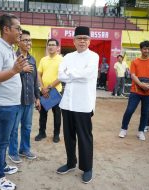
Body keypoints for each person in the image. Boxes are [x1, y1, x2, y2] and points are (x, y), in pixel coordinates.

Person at [0, 14, 26, 190]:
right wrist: (15, 70)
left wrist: (16, 69)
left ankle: (1, 166)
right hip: (1, 105)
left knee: (4, 140)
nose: (20, 32)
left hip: (10, 103)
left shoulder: (9, 48)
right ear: (6, 29)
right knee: (0, 142)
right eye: (18, 28)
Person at [56, 26, 99, 184]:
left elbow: (86, 75)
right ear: (73, 41)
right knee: (68, 136)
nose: (82, 41)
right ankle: (70, 162)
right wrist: (73, 74)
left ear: (89, 41)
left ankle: (87, 168)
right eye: (79, 38)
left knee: (84, 137)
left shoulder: (94, 56)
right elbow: (61, 75)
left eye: (85, 38)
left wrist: (70, 73)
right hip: (67, 103)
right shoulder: (67, 57)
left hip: (83, 104)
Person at [8, 30, 41, 164]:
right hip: (16, 100)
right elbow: (8, 76)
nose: (28, 43)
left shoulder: (32, 59)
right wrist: (22, 70)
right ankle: (13, 152)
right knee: (14, 128)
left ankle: (25, 149)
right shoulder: (12, 57)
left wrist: (37, 97)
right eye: (25, 40)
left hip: (29, 100)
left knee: (27, 126)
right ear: (19, 42)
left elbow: (34, 80)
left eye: (30, 40)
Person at [118, 40, 149, 141]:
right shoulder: (135, 61)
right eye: (145, 48)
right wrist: (141, 84)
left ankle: (141, 131)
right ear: (141, 49)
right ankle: (123, 129)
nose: (147, 51)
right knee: (129, 110)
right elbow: (133, 75)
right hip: (135, 91)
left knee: (145, 112)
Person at [35, 38, 62, 143]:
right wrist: (42, 88)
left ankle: (56, 134)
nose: (51, 46)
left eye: (53, 45)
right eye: (49, 45)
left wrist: (49, 88)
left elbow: (61, 77)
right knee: (42, 114)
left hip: (56, 92)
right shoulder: (43, 60)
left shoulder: (61, 60)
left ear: (57, 47)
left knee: (57, 116)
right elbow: (39, 74)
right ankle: (42, 132)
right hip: (44, 92)